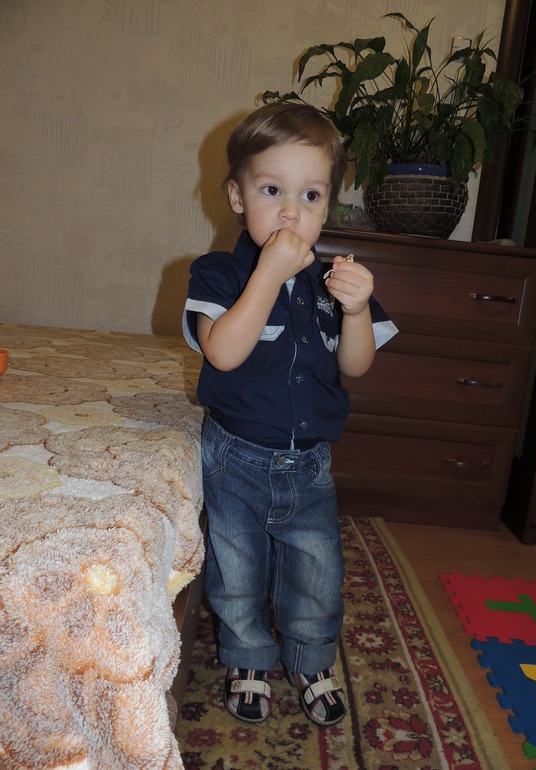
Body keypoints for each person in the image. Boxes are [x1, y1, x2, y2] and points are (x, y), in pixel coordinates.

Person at [182, 102, 398, 727]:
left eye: (310, 195)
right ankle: (248, 656)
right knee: (237, 569)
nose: (290, 212)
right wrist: (269, 275)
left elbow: (356, 365)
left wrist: (356, 311)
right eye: (271, 190)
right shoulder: (219, 273)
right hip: (236, 458)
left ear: (327, 206)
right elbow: (223, 351)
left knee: (317, 570)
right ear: (237, 196)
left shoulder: (333, 282)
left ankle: (310, 658)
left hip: (310, 466)